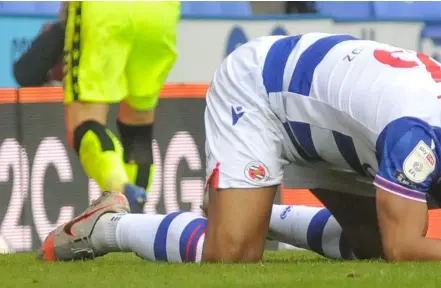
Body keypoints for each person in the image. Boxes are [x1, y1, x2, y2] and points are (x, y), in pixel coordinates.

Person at [40, 32, 441, 263]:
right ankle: (108, 228)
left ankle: (259, 213)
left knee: (371, 250)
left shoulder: (418, 130)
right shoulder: (416, 135)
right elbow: (403, 246)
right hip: (259, 91)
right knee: (232, 256)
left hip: (336, 124)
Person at [62, 2, 180, 213]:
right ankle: (132, 218)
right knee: (139, 124)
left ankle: (121, 191)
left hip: (107, 10)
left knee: (83, 119)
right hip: (160, 12)